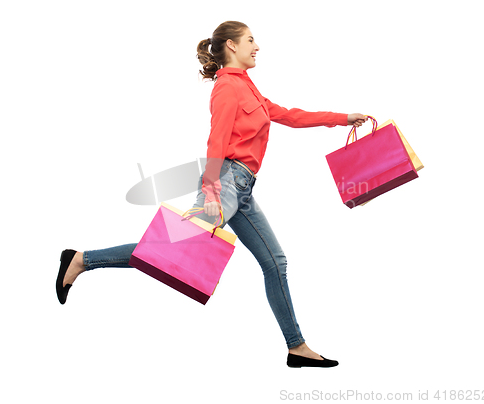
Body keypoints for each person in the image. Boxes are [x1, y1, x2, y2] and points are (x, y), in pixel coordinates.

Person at [56, 21, 368, 368]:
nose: (257, 46)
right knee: (168, 248)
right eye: (251, 40)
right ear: (232, 46)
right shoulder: (226, 89)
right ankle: (83, 259)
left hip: (242, 189)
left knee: (274, 262)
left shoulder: (248, 88)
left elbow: (291, 116)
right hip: (226, 182)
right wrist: (211, 191)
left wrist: (343, 118)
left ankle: (296, 348)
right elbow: (216, 142)